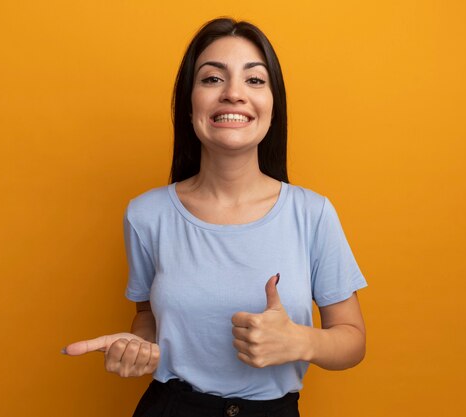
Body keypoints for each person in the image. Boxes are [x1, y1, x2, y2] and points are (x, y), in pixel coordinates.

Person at [63, 17, 367, 417]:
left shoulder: (313, 213)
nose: (233, 94)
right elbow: (146, 316)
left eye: (255, 80)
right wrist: (138, 345)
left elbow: (353, 340)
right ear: (189, 105)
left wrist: (300, 341)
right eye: (211, 79)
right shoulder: (145, 215)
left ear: (274, 107)